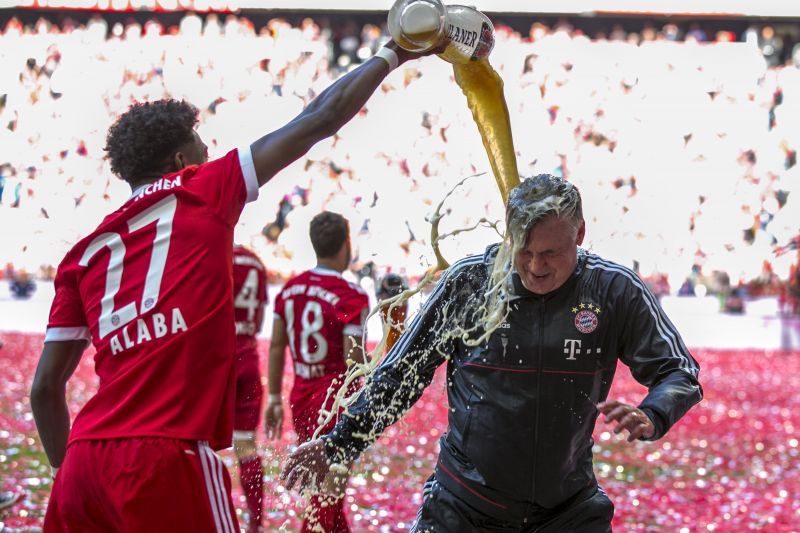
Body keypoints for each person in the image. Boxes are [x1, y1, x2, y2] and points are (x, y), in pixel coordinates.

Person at [29, 39, 431, 532]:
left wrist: (64, 469)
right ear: (180, 158)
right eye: (200, 140)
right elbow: (319, 120)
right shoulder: (205, 187)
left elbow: (45, 388)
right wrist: (393, 53)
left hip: (83, 465)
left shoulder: (82, 255)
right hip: (167, 453)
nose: (209, 149)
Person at [282, 174, 703, 532]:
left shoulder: (613, 290)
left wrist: (654, 411)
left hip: (568, 509)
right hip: (462, 504)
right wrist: (339, 444)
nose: (535, 266)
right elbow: (401, 374)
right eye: (523, 251)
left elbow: (679, 372)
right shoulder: (471, 283)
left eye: (550, 253)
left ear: (580, 234)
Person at [265, 211, 369, 533]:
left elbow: (275, 345)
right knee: (327, 496)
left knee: (327, 493)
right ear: (346, 244)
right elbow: (354, 360)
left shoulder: (290, 290)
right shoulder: (352, 296)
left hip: (302, 397)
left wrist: (272, 397)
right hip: (336, 401)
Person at [232, 243, 269, 533]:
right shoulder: (254, 261)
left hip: (214, 364)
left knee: (193, 445)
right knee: (246, 446)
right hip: (248, 361)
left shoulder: (207, 251)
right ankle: (255, 522)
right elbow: (256, 322)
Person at [375, 272, 409, 353]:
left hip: (399, 337)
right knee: (390, 335)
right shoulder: (382, 296)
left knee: (396, 334)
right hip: (391, 339)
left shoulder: (404, 293)